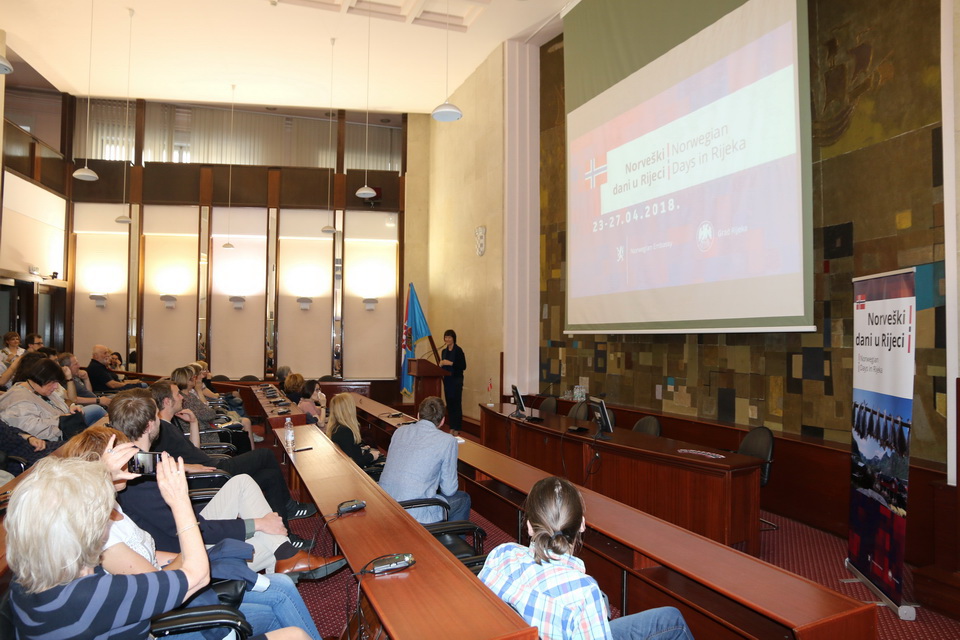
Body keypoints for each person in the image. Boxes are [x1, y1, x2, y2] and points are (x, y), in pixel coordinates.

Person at [62, 426, 329, 638]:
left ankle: (287, 556)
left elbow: (151, 553)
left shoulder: (114, 508)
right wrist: (194, 547)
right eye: (124, 458)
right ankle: (287, 556)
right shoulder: (102, 533)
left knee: (281, 584)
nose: (133, 462)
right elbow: (158, 587)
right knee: (282, 603)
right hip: (171, 613)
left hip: (177, 577)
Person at [5, 452, 214, 639]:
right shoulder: (92, 596)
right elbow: (197, 576)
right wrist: (180, 501)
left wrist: (101, 479)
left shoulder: (25, 580)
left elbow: (57, 509)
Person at [479, 476, 695, 640]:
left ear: (528, 526)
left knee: (666, 617)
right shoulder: (583, 593)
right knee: (672, 620)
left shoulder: (502, 554)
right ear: (582, 524)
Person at [147, 383, 318, 542]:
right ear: (167, 401)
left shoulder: (169, 424)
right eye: (177, 394)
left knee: (270, 475)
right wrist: (186, 467)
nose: (182, 397)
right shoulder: (160, 430)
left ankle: (286, 535)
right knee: (265, 454)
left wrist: (193, 423)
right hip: (212, 474)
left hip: (212, 466)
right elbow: (157, 464)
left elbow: (193, 449)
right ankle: (288, 505)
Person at [379, 395, 470, 524]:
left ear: (418, 415)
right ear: (442, 421)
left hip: (385, 504)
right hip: (413, 511)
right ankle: (443, 537)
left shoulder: (400, 431)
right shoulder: (447, 441)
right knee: (463, 498)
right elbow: (449, 490)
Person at [0, 358, 104, 440]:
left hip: (66, 432)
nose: (56, 387)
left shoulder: (42, 389)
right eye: (53, 382)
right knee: (97, 413)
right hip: (52, 441)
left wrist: (71, 408)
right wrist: (61, 420)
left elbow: (63, 405)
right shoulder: (19, 399)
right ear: (41, 378)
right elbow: (30, 429)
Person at [325, 393, 379, 468]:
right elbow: (354, 463)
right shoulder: (345, 431)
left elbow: (347, 449)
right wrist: (372, 456)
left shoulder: (335, 427)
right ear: (349, 410)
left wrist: (359, 449)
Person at [439, 329, 466, 436]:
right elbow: (443, 368)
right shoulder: (444, 351)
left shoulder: (458, 350)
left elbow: (463, 366)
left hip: (456, 380)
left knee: (456, 404)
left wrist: (450, 363)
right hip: (447, 381)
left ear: (453, 338)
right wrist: (441, 365)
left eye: (449, 337)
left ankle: (457, 427)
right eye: (446, 337)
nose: (447, 339)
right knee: (449, 405)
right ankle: (451, 427)